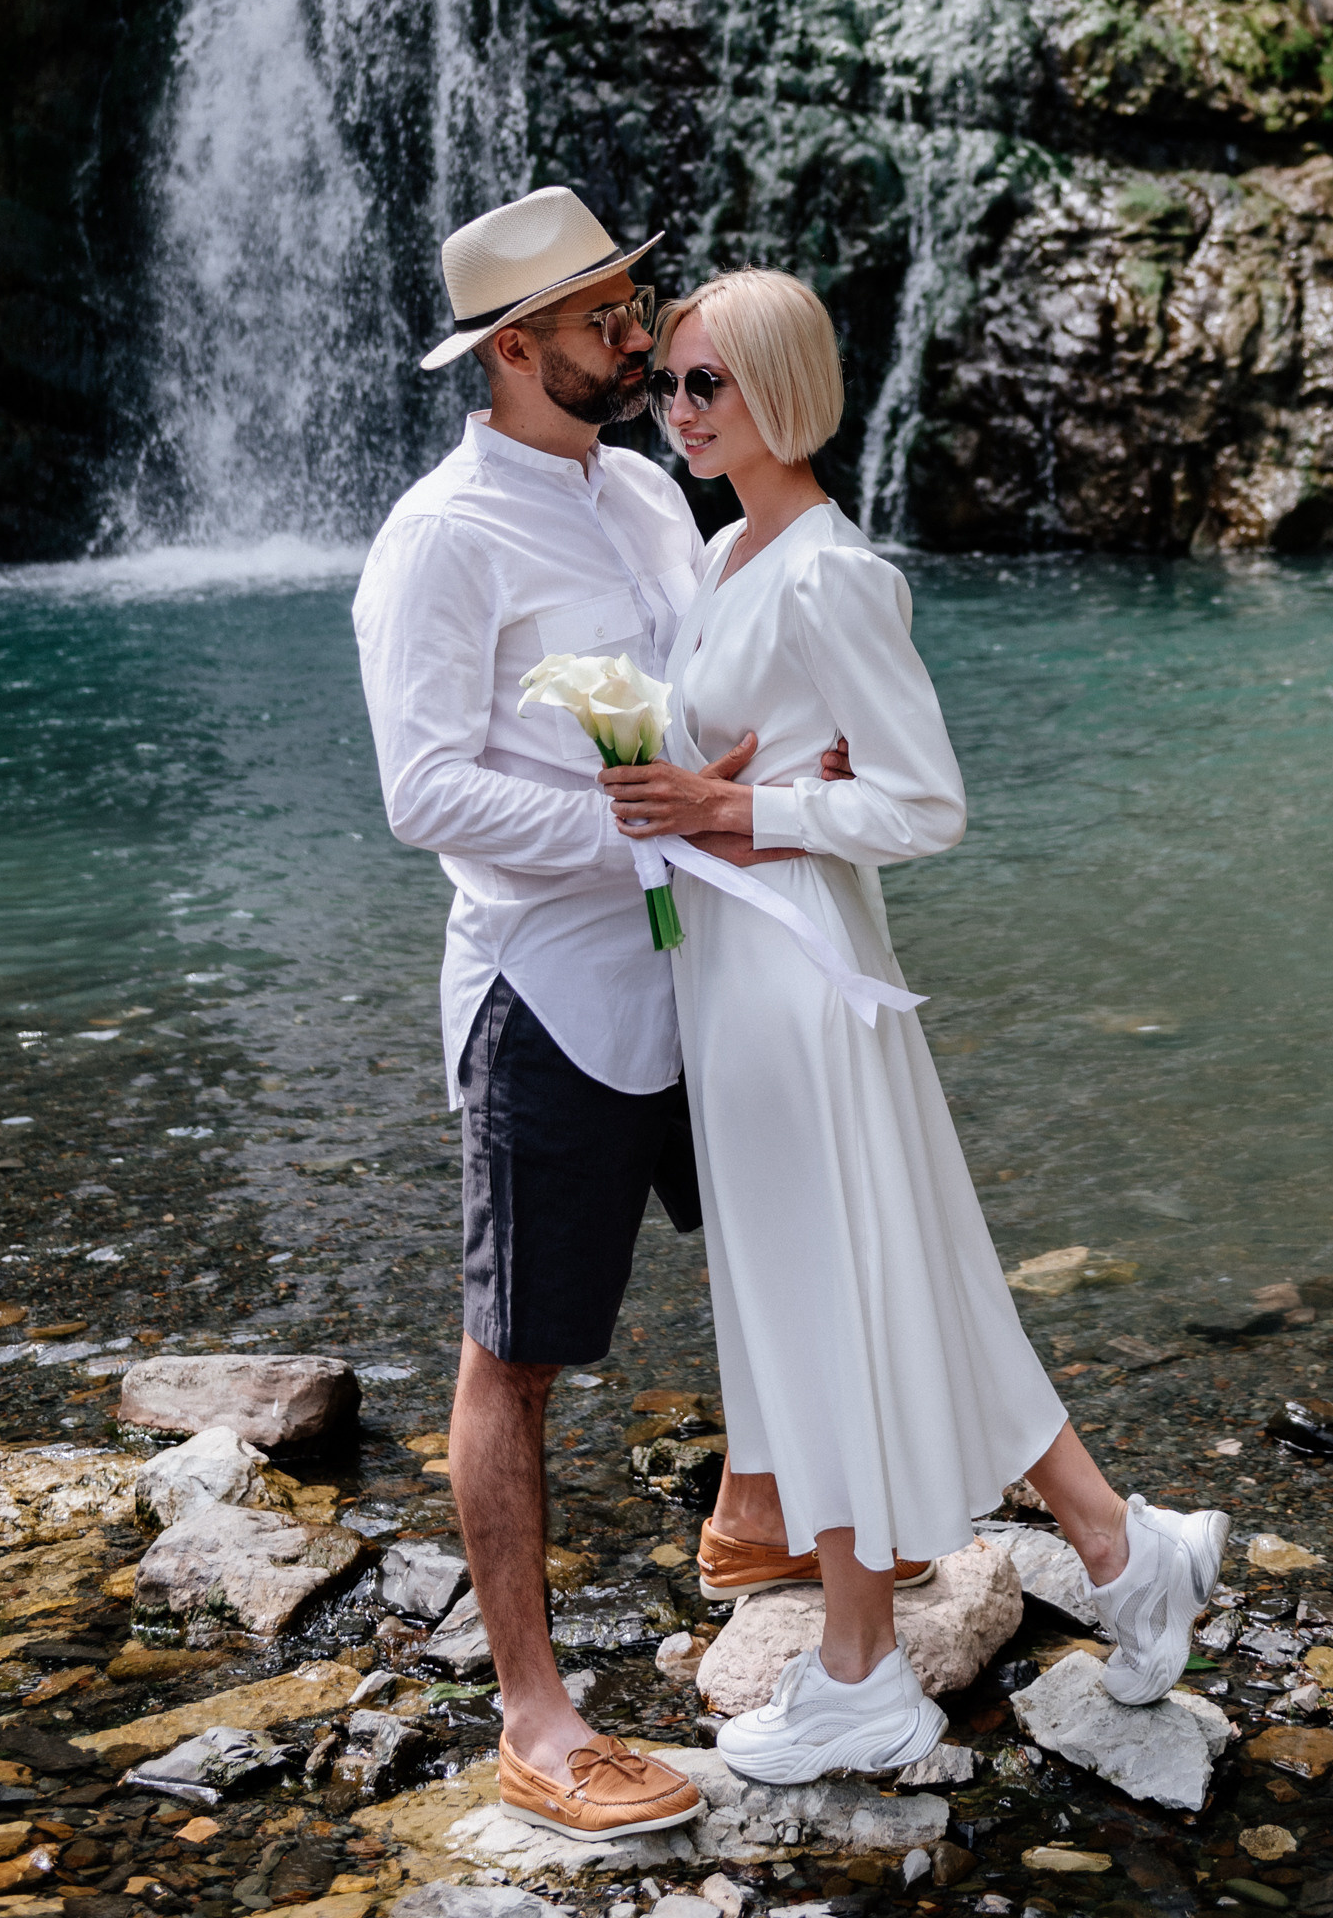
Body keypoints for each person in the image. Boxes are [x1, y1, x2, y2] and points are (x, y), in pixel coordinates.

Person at [602, 270, 1226, 1782]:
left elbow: (927, 803)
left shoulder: (827, 570)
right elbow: (740, 773)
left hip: (803, 990)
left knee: (833, 1304)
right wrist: (693, 783)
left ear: (783, 389)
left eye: (708, 384)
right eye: (669, 383)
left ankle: (864, 1668)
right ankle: (1117, 1551)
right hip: (735, 979)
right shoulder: (731, 549)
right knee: (870, 1294)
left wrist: (741, 804)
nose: (678, 409)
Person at [353, 185, 733, 1845]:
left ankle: (770, 1545)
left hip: (704, 965)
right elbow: (419, 788)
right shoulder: (441, 536)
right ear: (513, 350)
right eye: (605, 321)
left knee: (790, 1245)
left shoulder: (648, 490)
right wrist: (636, 827)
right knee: (516, 1358)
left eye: (635, 307)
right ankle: (536, 1717)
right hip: (549, 991)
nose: (641, 339)